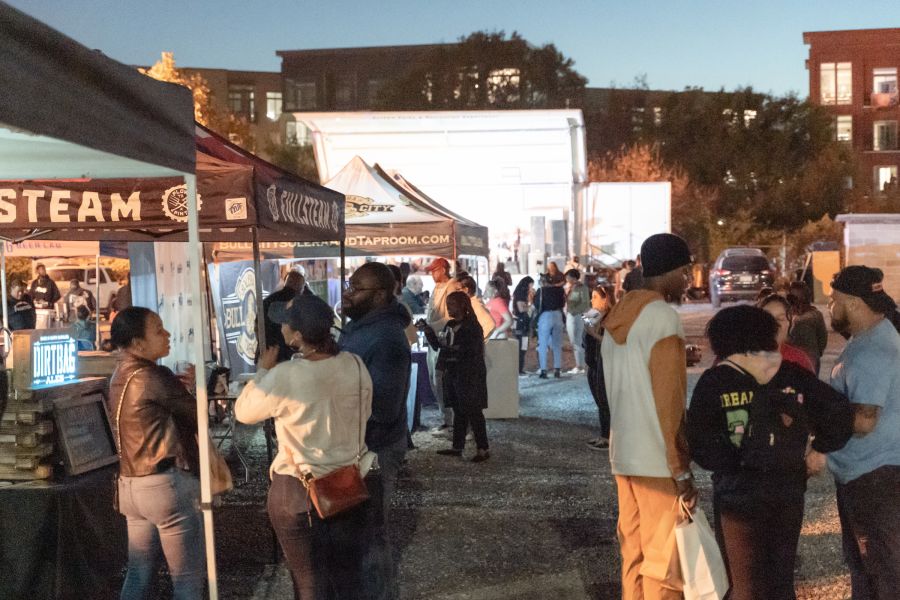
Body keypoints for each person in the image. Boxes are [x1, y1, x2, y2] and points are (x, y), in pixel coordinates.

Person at [687, 305, 853, 600]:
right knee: (780, 579)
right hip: (786, 488)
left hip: (737, 494)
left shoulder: (715, 381)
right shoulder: (791, 374)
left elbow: (699, 443)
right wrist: (819, 448)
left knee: (746, 583)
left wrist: (732, 460)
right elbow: (839, 412)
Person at [236, 295, 376, 599]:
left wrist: (262, 371)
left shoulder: (286, 374)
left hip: (297, 489)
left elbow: (244, 412)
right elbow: (364, 413)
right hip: (348, 483)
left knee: (308, 582)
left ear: (297, 335)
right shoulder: (354, 363)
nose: (282, 328)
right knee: (347, 577)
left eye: (285, 324)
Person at [600, 233, 696, 600]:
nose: (686, 281)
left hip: (623, 454)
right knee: (665, 565)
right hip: (657, 461)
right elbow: (668, 402)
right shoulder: (662, 318)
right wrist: (681, 468)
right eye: (684, 272)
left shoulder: (616, 318)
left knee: (633, 555)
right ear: (669, 271)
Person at [107, 307, 204, 599]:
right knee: (187, 580)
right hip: (164, 485)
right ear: (138, 343)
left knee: (138, 574)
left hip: (131, 485)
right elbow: (198, 415)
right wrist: (199, 387)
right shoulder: (153, 375)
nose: (168, 334)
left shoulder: (118, 375)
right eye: (159, 330)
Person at [825, 266, 900, 600]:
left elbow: (865, 419)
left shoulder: (873, 350)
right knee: (871, 569)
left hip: (873, 477)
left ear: (853, 303)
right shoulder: (873, 337)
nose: (830, 308)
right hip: (869, 475)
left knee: (880, 570)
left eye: (833, 300)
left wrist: (814, 422)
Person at [339, 262, 412, 598]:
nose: (347, 293)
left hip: (376, 448)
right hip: (353, 445)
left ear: (380, 295)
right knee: (355, 534)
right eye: (349, 286)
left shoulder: (387, 339)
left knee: (371, 535)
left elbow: (383, 407)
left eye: (356, 288)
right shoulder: (360, 330)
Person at [419, 291, 490, 462]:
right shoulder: (450, 325)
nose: (449, 308)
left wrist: (451, 348)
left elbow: (470, 351)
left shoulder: (472, 327)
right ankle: (457, 446)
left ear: (462, 306)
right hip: (453, 373)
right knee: (459, 410)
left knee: (473, 411)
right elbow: (439, 346)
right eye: (448, 304)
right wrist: (427, 330)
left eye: (452, 305)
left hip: (469, 374)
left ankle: (483, 448)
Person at [424, 257, 457, 430]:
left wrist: (432, 326)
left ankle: (449, 418)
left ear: (443, 269)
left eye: (434, 270)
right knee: (433, 378)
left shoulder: (451, 286)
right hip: (433, 338)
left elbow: (452, 315)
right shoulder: (436, 287)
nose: (432, 274)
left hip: (443, 339)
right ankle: (445, 417)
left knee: (440, 379)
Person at [583, 281, 615, 450]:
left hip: (604, 362)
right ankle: (604, 434)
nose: (592, 301)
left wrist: (594, 334)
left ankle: (608, 437)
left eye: (595, 297)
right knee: (599, 400)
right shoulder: (594, 314)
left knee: (605, 399)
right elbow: (585, 332)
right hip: (593, 362)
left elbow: (611, 341)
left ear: (605, 299)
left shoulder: (612, 316)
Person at [757, 293, 815, 373]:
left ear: (790, 324)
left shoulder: (799, 361)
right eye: (767, 318)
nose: (774, 324)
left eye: (780, 319)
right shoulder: (743, 359)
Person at [262, 271, 306, 363]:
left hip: (266, 353)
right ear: (300, 287)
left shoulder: (267, 300)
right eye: (303, 287)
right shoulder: (299, 303)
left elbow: (257, 326)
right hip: (289, 356)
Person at [787, 281, 828, 375]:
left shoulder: (813, 316)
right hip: (794, 359)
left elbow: (822, 338)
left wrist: (817, 353)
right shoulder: (788, 314)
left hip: (810, 358)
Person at [534, 273, 565, 379]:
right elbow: (562, 304)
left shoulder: (541, 291)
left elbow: (537, 304)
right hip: (558, 314)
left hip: (545, 315)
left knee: (542, 344)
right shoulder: (560, 290)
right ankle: (557, 369)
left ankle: (544, 370)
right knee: (557, 344)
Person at [564, 269, 590, 374]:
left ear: (573, 277)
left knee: (577, 340)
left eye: (568, 277)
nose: (567, 279)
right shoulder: (572, 287)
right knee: (575, 341)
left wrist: (574, 311)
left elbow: (584, 303)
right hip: (572, 314)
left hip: (576, 315)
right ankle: (580, 365)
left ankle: (581, 365)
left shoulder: (580, 288)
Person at [457, 274, 494, 340]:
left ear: (466, 290)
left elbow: (490, 325)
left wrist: (477, 343)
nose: (455, 292)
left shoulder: (475, 305)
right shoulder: (470, 304)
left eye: (458, 289)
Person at [511, 277, 534, 375]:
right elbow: (521, 308)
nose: (531, 287)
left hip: (520, 323)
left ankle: (520, 368)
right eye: (531, 285)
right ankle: (519, 369)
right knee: (522, 346)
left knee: (522, 346)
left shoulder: (519, 293)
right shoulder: (521, 295)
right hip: (522, 324)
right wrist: (530, 306)